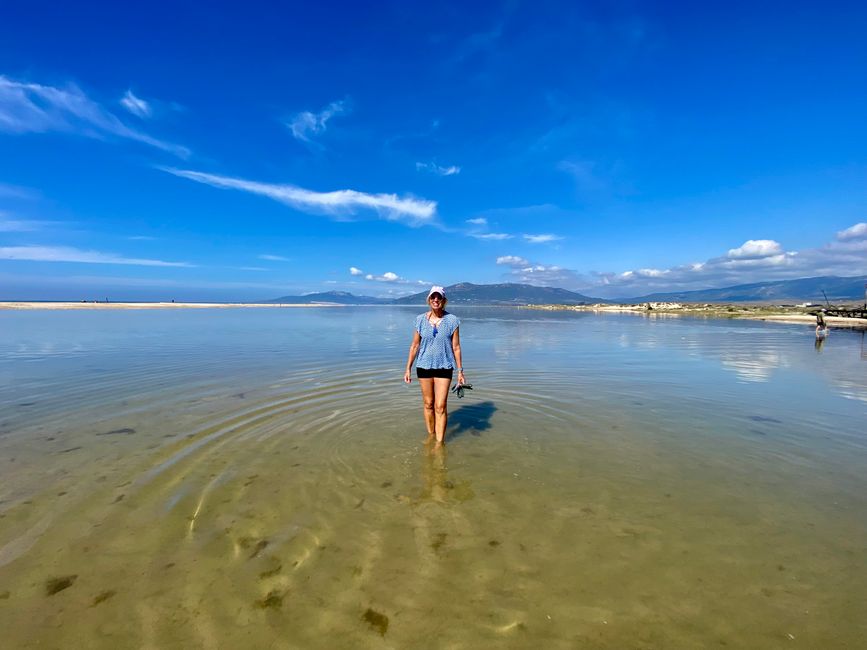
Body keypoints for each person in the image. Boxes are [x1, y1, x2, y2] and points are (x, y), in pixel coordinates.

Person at [404, 286, 465, 446]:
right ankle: (431, 436)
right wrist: (408, 368)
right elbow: (414, 346)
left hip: (444, 367)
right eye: (433, 297)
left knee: (440, 406)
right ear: (429, 300)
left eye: (439, 298)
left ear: (444, 301)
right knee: (428, 404)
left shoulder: (453, 320)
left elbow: (456, 347)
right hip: (423, 366)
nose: (436, 300)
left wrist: (460, 371)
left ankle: (439, 444)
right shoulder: (420, 320)